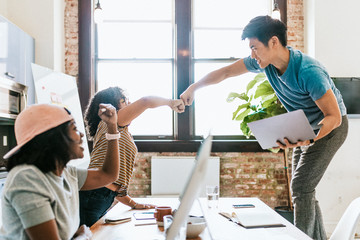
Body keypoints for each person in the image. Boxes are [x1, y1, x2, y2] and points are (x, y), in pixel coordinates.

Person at [180, 15, 348, 240]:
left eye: (255, 47)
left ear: (274, 42)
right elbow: (226, 72)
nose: (252, 54)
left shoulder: (309, 72)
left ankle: (301, 237)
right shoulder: (264, 63)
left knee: (301, 186)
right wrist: (193, 87)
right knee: (304, 188)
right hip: (303, 127)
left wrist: (309, 139)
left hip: (330, 129)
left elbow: (333, 116)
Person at [0, 103, 120, 240]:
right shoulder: (27, 178)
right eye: (74, 128)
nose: (81, 134)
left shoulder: (67, 173)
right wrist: (82, 236)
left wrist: (112, 127)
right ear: (53, 137)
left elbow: (108, 175)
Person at [79, 86, 185, 227]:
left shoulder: (119, 130)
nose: (129, 104)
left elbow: (117, 185)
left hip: (103, 195)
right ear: (110, 106)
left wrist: (134, 204)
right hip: (94, 194)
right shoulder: (111, 122)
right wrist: (170, 102)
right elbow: (145, 101)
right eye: (123, 101)